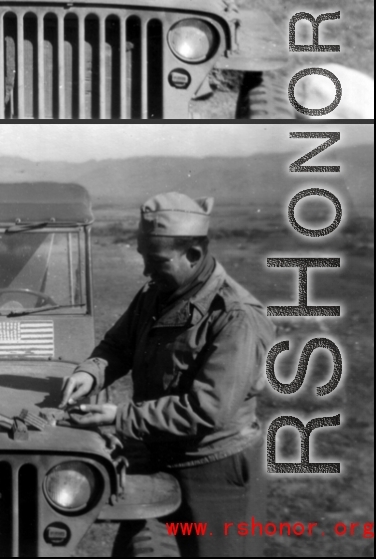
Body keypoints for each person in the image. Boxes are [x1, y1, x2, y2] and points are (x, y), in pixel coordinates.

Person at [60, 192, 274, 558]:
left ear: (193, 255)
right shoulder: (157, 294)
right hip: (157, 455)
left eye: (156, 261)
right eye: (144, 258)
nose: (146, 271)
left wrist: (120, 416)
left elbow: (210, 409)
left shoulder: (236, 316)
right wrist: (91, 373)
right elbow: (117, 346)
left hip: (212, 471)